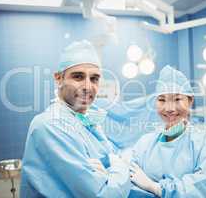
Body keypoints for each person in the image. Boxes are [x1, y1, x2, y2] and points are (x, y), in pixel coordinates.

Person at [20, 40, 131, 198]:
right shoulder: (50, 126)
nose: (87, 86)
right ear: (58, 79)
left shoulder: (85, 120)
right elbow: (103, 194)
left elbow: (110, 156)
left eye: (94, 79)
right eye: (78, 77)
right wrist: (121, 167)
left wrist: (108, 172)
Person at [128, 65, 206, 198]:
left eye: (177, 99)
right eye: (162, 100)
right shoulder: (145, 143)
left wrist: (156, 188)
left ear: (190, 101)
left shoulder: (204, 144)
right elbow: (128, 176)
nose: (169, 108)